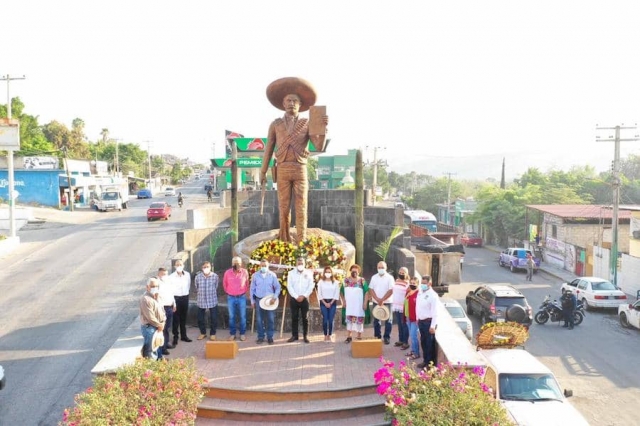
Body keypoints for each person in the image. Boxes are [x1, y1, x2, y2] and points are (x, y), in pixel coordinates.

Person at [260, 77, 329, 242]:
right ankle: (284, 238)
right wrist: (263, 172)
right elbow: (268, 149)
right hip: (282, 168)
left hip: (300, 168)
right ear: (283, 104)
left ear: (300, 105)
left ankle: (302, 238)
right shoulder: (275, 124)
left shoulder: (307, 123)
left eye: (295, 100)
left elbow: (318, 146)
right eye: (288, 100)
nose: (291, 103)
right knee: (283, 206)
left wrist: (324, 129)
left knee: (302, 205)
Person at [250, 259, 281, 345]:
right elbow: (252, 289)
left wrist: (274, 297)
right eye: (262, 266)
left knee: (270, 319)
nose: (263, 267)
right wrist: (252, 301)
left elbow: (278, 287)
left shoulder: (272, 275)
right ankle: (260, 337)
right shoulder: (255, 275)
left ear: (268, 266)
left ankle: (270, 337)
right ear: (260, 266)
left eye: (265, 266)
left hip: (270, 301)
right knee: (259, 320)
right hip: (259, 299)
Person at [287, 257, 315, 343]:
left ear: (304, 264)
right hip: (294, 299)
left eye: (301, 263)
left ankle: (305, 336)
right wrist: (296, 296)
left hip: (304, 298)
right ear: (296, 264)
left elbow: (311, 286)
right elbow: (289, 286)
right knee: (294, 317)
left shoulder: (309, 273)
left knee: (305, 318)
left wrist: (303, 296)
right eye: (298, 263)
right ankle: (294, 336)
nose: (300, 265)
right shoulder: (291, 273)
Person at [223, 256, 249, 341]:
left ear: (241, 264)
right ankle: (232, 334)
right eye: (234, 262)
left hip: (241, 297)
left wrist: (243, 291)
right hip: (231, 298)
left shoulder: (245, 272)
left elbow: (247, 283)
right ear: (232, 264)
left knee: (242, 316)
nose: (236, 264)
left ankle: (242, 333)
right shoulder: (227, 273)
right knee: (232, 316)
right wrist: (229, 292)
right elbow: (225, 284)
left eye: (238, 262)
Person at [139, 278, 166, 360]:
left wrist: (163, 322)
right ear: (147, 287)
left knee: (158, 347)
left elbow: (162, 310)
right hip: (150, 328)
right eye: (153, 286)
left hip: (158, 327)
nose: (155, 288)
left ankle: (159, 362)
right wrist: (159, 325)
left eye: (157, 286)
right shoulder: (145, 299)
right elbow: (150, 317)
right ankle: (151, 369)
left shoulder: (157, 296)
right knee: (150, 351)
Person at [368, 261, 394, 344]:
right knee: (376, 320)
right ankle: (377, 336)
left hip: (388, 302)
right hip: (376, 302)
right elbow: (371, 289)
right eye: (379, 267)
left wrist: (382, 299)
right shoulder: (374, 277)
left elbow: (391, 290)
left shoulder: (390, 278)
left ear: (386, 268)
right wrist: (377, 299)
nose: (380, 269)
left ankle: (387, 337)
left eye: (382, 267)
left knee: (388, 320)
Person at [416, 275, 439, 369]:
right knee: (423, 343)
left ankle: (430, 364)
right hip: (421, 322)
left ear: (430, 283)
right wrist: (418, 319)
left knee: (429, 345)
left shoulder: (433, 296)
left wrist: (433, 326)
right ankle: (425, 361)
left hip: (428, 323)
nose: (422, 285)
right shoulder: (420, 293)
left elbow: (435, 312)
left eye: (425, 283)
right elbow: (418, 306)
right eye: (422, 283)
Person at [342, 264, 367, 343]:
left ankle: (359, 336)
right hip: (349, 305)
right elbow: (341, 292)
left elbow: (366, 292)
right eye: (353, 271)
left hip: (359, 305)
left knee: (359, 320)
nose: (354, 272)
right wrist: (343, 301)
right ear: (350, 271)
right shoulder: (346, 280)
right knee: (349, 320)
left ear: (359, 272)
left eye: (356, 271)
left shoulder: (362, 280)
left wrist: (365, 303)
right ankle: (349, 336)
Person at [194, 261, 219, 341]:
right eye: (204, 267)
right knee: (200, 318)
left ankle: (212, 334)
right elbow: (196, 287)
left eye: (207, 267)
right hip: (201, 301)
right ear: (202, 268)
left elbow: (216, 286)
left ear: (210, 267)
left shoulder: (215, 276)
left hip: (212, 300)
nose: (206, 268)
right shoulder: (198, 277)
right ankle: (203, 333)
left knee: (214, 318)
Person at [170, 259, 192, 345]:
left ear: (183, 265)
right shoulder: (171, 277)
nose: (179, 266)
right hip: (176, 298)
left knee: (184, 318)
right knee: (176, 319)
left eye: (180, 264)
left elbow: (188, 285)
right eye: (177, 265)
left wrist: (186, 294)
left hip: (185, 297)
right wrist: (173, 302)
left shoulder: (187, 274)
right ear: (174, 266)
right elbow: (170, 290)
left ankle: (184, 336)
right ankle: (175, 337)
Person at [317, 266, 340, 342]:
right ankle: (325, 335)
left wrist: (330, 302)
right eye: (326, 272)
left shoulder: (336, 282)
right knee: (325, 319)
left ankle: (329, 335)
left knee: (330, 320)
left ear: (332, 273)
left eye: (329, 272)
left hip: (332, 303)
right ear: (324, 273)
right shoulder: (320, 282)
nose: (328, 273)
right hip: (323, 302)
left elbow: (336, 294)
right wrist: (325, 303)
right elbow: (319, 294)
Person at [156, 267, 176, 356]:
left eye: (166, 274)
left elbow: (171, 293)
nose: (165, 276)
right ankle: (162, 347)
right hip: (162, 308)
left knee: (167, 327)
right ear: (158, 274)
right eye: (163, 274)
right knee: (162, 328)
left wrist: (174, 304)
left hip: (170, 307)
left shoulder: (168, 282)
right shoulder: (156, 283)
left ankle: (166, 343)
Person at [392, 267, 410, 350]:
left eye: (403, 273)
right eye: (400, 272)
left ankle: (405, 342)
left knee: (404, 324)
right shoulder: (396, 281)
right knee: (399, 324)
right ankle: (400, 340)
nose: (401, 274)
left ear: (406, 274)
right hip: (396, 305)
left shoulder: (408, 284)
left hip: (403, 306)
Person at [404, 276, 421, 360]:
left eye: (414, 283)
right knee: (411, 335)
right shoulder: (408, 292)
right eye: (411, 283)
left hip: (415, 319)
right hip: (408, 317)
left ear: (418, 284)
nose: (412, 284)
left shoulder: (418, 293)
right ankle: (413, 350)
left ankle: (416, 353)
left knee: (414, 335)